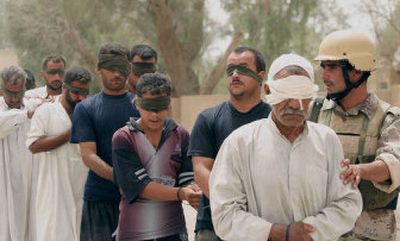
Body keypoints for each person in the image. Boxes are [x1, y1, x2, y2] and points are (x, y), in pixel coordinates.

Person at [209, 53, 363, 241]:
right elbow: (224, 215)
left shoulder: (327, 140)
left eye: (302, 95)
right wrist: (277, 233)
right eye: (286, 94)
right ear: (268, 91)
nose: (294, 104)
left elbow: (347, 202)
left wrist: (310, 231)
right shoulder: (239, 144)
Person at [310, 29, 400, 241]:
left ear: (357, 71)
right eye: (323, 67)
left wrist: (358, 170)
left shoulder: (388, 118)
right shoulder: (314, 112)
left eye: (332, 67)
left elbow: (394, 163)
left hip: (372, 233)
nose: (323, 75)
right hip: (323, 231)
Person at [189, 46, 272, 241]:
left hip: (263, 225)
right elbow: (201, 169)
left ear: (260, 75)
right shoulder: (208, 118)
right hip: (213, 225)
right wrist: (230, 206)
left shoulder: (275, 120)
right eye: (230, 69)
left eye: (243, 68)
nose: (235, 74)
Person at [112, 72, 202, 241]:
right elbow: (141, 187)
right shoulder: (123, 138)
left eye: (160, 107)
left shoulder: (180, 135)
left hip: (173, 232)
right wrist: (182, 194)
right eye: (148, 107)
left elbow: (187, 177)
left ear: (168, 104)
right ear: (137, 104)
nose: (155, 115)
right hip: (134, 234)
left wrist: (193, 191)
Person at [70, 42, 139, 241]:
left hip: (137, 200)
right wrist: (121, 179)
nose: (116, 74)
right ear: (98, 68)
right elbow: (88, 155)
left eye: (121, 69)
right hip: (98, 199)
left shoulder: (141, 106)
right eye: (111, 68)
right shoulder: (86, 108)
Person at [26, 66, 91, 241]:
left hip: (82, 187)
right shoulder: (46, 111)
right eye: (76, 92)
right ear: (65, 87)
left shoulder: (88, 111)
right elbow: (33, 145)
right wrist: (69, 135)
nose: (81, 97)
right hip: (53, 189)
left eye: (85, 92)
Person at [0, 66, 37, 241]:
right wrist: (25, 115)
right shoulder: (25, 111)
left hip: (30, 181)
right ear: (2, 89)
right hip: (5, 184)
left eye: (19, 93)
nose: (15, 99)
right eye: (10, 93)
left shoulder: (32, 106)